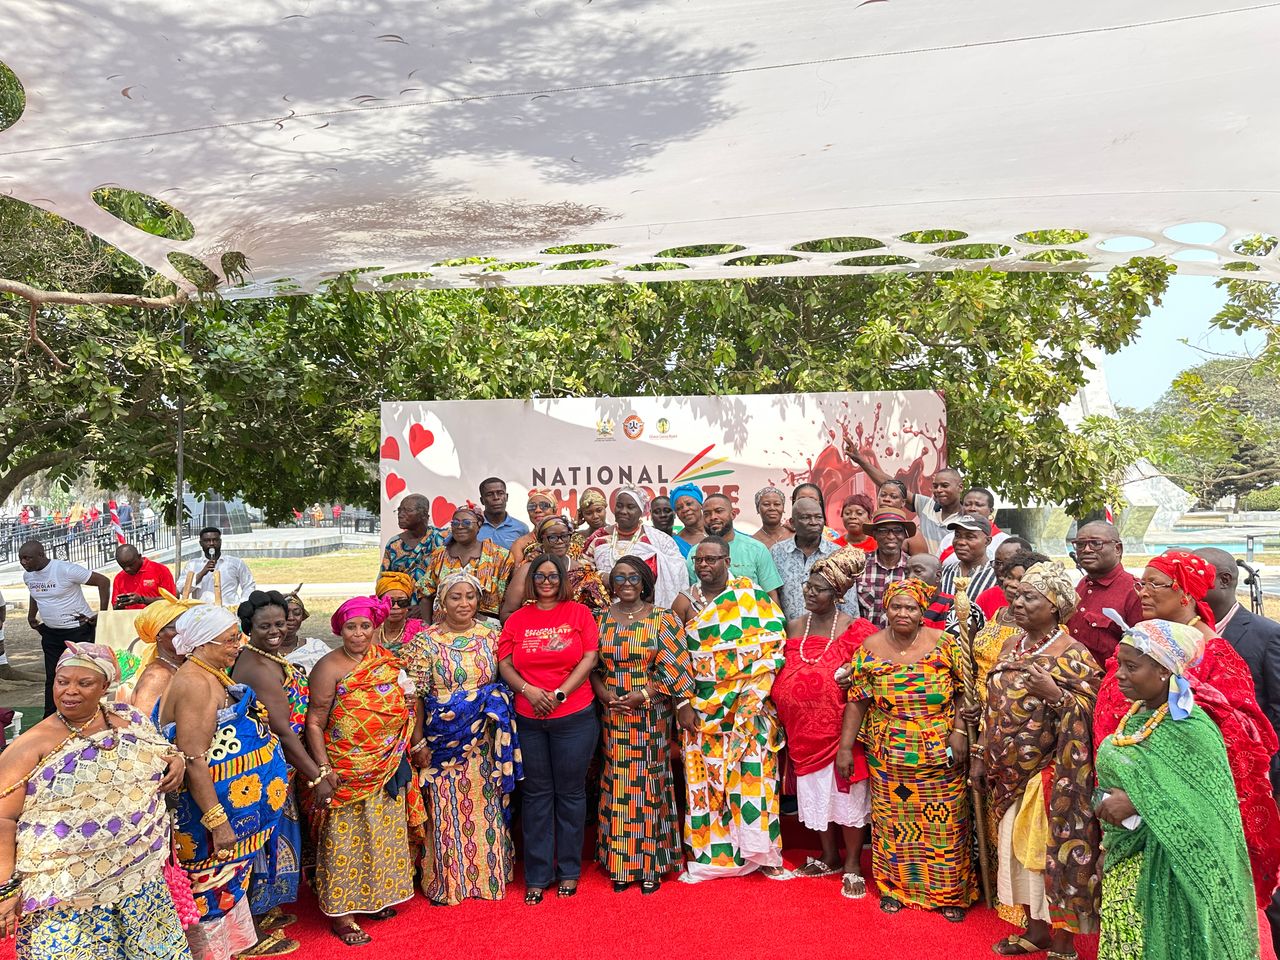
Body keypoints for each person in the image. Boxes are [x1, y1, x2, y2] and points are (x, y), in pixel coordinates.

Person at [1092, 549, 1280, 913]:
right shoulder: (1142, 643)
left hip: (1178, 814)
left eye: (1155, 584)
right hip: (1121, 806)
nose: (1142, 593)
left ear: (1186, 594)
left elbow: (1237, 740)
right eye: (1140, 583)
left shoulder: (1213, 655)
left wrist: (1146, 799)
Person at [0, 641, 189, 959]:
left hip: (139, 881)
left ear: (104, 686)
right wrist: (5, 888)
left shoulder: (128, 720)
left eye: (83, 683)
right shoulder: (30, 745)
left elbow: (158, 750)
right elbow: (3, 818)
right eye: (62, 682)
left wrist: (176, 759)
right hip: (67, 894)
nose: (69, 691)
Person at [1095, 619, 1259, 960]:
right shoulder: (1136, 716)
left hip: (1176, 874)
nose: (1120, 674)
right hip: (1126, 862)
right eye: (1119, 664)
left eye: (1132, 666)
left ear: (1164, 672)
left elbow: (1209, 816)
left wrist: (1138, 802)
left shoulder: (1193, 730)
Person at [974, 561, 1102, 958]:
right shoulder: (1012, 644)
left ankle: (1063, 942)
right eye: (1020, 593)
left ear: (1056, 608)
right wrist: (980, 749)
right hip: (1007, 772)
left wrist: (1056, 694)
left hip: (1049, 775)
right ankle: (1036, 929)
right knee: (1018, 853)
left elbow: (1092, 708)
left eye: (1032, 597)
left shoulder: (1074, 653)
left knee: (1047, 854)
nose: (1020, 600)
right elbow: (991, 698)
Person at [837, 578, 975, 921]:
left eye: (910, 607)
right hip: (889, 756)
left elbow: (964, 691)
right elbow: (857, 701)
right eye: (896, 606)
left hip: (940, 752)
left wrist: (959, 732)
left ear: (922, 611)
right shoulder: (868, 648)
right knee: (895, 825)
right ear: (886, 608)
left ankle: (949, 894)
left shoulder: (945, 644)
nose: (903, 613)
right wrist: (845, 747)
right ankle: (896, 889)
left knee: (945, 823)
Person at [158, 603, 289, 960]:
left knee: (223, 891)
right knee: (209, 895)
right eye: (231, 639)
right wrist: (218, 822)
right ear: (204, 642)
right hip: (208, 819)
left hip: (230, 814)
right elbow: (194, 758)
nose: (240, 644)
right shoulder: (196, 683)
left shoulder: (209, 672)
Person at [306, 596, 426, 946]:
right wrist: (323, 768)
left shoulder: (388, 662)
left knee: (380, 836)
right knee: (343, 839)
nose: (358, 634)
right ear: (339, 630)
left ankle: (372, 899)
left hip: (385, 767)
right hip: (345, 771)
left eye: (365, 626)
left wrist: (410, 733)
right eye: (350, 627)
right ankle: (342, 915)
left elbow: (409, 702)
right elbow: (314, 722)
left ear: (375, 628)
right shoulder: (328, 667)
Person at [402, 571, 521, 906]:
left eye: (470, 596)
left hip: (484, 739)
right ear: (441, 600)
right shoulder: (424, 642)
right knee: (445, 806)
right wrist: (419, 741)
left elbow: (508, 677)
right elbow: (415, 698)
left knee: (487, 804)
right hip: (443, 742)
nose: (464, 603)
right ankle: (450, 881)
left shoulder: (493, 634)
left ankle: (489, 877)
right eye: (455, 597)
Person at [497, 553, 599, 904]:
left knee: (570, 794)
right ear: (531, 581)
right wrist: (528, 690)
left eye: (553, 576)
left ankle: (569, 870)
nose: (546, 582)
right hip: (529, 717)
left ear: (562, 579)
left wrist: (558, 694)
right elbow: (505, 663)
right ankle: (538, 875)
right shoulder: (517, 620)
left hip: (574, 716)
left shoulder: (579, 613)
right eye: (539, 576)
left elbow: (590, 657)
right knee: (538, 796)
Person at [231, 591, 331, 948]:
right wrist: (317, 775)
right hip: (266, 767)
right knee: (261, 845)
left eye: (279, 623)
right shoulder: (258, 667)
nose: (275, 630)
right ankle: (251, 932)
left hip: (278, 765)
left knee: (273, 840)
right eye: (264, 626)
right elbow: (284, 731)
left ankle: (264, 910)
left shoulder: (267, 656)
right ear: (249, 628)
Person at [591, 557, 696, 894]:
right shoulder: (600, 619)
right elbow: (591, 667)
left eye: (632, 576)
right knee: (619, 783)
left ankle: (651, 863)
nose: (625, 582)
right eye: (618, 577)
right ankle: (621, 864)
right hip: (613, 712)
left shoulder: (663, 618)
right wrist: (607, 695)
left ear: (645, 581)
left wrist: (643, 694)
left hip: (650, 712)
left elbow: (677, 668)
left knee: (651, 782)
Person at [774, 552, 875, 897]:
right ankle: (828, 856)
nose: (809, 593)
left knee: (845, 796)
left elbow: (871, 671)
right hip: (802, 733)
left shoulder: (855, 628)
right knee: (817, 796)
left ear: (837, 594)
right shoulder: (794, 626)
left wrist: (854, 674)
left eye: (818, 589)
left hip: (839, 732)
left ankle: (852, 865)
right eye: (807, 586)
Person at [680, 563, 788, 882]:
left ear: (727, 562)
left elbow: (773, 640)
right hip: (704, 710)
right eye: (700, 559)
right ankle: (714, 854)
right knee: (707, 781)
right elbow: (676, 653)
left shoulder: (751, 597)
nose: (705, 565)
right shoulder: (684, 601)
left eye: (713, 559)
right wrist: (682, 701)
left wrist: (751, 685)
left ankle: (761, 850)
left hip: (750, 707)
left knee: (755, 778)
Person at [1199, 547, 1280, 785]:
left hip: (1253, 771)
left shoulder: (1267, 635)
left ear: (1224, 580)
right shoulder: (1184, 633)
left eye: (1197, 574)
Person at [19, 539, 111, 717]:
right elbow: (34, 593)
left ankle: (89, 714)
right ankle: (50, 716)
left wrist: (102, 613)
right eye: (21, 559)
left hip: (78, 630)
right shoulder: (28, 576)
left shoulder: (65, 570)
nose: (24, 562)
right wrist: (31, 615)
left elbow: (103, 581)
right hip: (51, 632)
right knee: (53, 677)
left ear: (41, 555)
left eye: (27, 558)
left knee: (83, 674)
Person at [844, 435, 963, 555]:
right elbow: (892, 486)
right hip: (924, 571)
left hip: (951, 573)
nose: (939, 490)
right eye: (935, 486)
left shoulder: (967, 518)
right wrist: (861, 461)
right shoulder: (927, 505)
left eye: (945, 486)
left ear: (960, 487)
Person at [586, 486, 689, 608]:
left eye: (630, 507)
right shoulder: (599, 537)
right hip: (605, 612)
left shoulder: (660, 540)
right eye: (619, 505)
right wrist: (601, 576)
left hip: (648, 611)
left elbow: (678, 573)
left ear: (642, 511)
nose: (623, 511)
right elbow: (581, 572)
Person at [1066, 521, 1144, 669]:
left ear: (1117, 549)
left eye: (1096, 543)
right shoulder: (1082, 585)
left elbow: (1142, 654)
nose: (1086, 550)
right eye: (1080, 544)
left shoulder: (1135, 592)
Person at [501, 515, 609, 620]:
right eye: (552, 537)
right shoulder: (527, 570)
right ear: (541, 540)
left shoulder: (581, 571)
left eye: (564, 536)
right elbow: (507, 614)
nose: (560, 541)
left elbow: (598, 611)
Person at [770, 496, 860, 620]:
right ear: (792, 522)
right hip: (789, 634)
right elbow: (772, 597)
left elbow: (849, 604)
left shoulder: (838, 554)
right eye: (806, 517)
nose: (813, 522)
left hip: (828, 635)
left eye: (818, 517)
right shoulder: (777, 552)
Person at [420, 506, 513, 624]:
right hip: (443, 628)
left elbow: (508, 600)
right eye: (455, 523)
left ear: (479, 525)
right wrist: (427, 627)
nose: (460, 526)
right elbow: (426, 594)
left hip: (486, 628)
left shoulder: (501, 556)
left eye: (466, 522)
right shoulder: (439, 555)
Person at [692, 493, 783, 603]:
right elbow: (691, 595)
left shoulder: (757, 549)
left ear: (733, 514)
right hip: (707, 618)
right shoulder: (695, 553)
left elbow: (771, 596)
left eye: (719, 511)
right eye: (707, 514)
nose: (713, 517)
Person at [123, 589, 200, 716]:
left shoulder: (178, 666)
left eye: (189, 626)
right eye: (178, 628)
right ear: (158, 634)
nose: (186, 632)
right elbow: (143, 727)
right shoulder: (158, 677)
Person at [380, 494, 445, 611]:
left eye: (407, 510)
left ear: (424, 515)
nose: (400, 514)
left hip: (436, 609)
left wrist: (424, 608)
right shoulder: (394, 544)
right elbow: (384, 581)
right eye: (399, 510)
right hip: (401, 610)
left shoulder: (441, 539)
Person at [939, 515, 997, 633]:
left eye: (970, 537)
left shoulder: (997, 577)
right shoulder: (943, 573)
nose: (961, 542)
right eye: (957, 535)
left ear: (987, 541)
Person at [858, 509, 912, 627]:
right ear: (875, 535)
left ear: (904, 535)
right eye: (883, 531)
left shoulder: (913, 569)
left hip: (901, 642)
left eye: (897, 531)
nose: (891, 536)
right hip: (864, 641)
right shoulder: (859, 565)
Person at [178, 527, 256, 605]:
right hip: (202, 612)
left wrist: (243, 604)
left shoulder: (235, 563)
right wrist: (201, 574)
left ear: (220, 542)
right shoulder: (192, 565)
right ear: (201, 543)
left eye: (215, 540)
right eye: (207, 541)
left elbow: (249, 585)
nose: (211, 543)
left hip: (229, 611)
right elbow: (181, 589)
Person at [939, 487, 1009, 563]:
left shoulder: (1005, 542)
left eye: (978, 505)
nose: (972, 508)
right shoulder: (948, 539)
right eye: (967, 504)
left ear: (991, 510)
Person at [974, 536, 1033, 621]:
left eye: (1009, 563)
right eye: (997, 563)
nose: (1001, 569)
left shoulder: (1040, 602)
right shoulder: (986, 598)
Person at [373, 571, 427, 663]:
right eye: (390, 602)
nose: (396, 607)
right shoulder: (369, 630)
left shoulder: (421, 630)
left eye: (402, 603)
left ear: (408, 605)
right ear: (379, 604)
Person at [278, 587, 331, 674]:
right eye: (286, 613)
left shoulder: (316, 647)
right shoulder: (261, 650)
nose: (291, 618)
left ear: (302, 617)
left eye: (297, 613)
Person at [111, 544, 178, 610]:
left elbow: (172, 599)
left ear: (139, 556)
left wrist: (142, 599)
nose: (127, 569)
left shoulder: (160, 570)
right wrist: (120, 604)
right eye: (123, 566)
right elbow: (115, 607)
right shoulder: (119, 578)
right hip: (131, 618)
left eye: (131, 565)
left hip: (158, 617)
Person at [874, 479, 929, 556]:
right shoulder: (869, 527)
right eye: (883, 495)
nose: (886, 499)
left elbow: (922, 565)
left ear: (903, 502)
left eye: (893, 497)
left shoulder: (913, 534)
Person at [507, 488, 561, 566]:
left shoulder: (567, 538)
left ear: (554, 510)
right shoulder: (520, 543)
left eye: (544, 506)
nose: (537, 510)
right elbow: (514, 574)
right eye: (532, 507)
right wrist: (527, 562)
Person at [475, 477, 529, 551]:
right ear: (482, 500)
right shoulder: (473, 526)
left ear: (506, 497)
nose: (496, 498)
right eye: (490, 494)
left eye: (500, 493)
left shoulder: (521, 528)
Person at [906, 553, 954, 630]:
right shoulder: (902, 605)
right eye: (906, 573)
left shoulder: (954, 606)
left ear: (938, 576)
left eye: (917, 571)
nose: (909, 577)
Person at [669, 482, 707, 558]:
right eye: (679, 508)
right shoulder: (675, 544)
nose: (685, 509)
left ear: (701, 504)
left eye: (689, 504)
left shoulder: (720, 530)